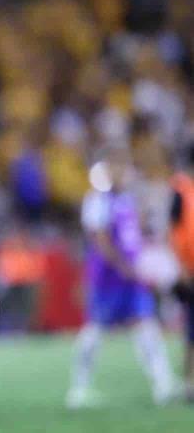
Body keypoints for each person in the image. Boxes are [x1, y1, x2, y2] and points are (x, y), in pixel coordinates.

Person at [66, 145, 175, 409]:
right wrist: (124, 266)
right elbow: (100, 240)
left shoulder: (126, 200)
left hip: (131, 277)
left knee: (146, 326)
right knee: (94, 330)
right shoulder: (97, 200)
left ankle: (163, 384)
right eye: (116, 167)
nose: (121, 173)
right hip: (108, 278)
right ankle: (78, 389)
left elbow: (133, 236)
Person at [170, 142, 194, 402]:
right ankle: (189, 383)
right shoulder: (181, 191)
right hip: (190, 270)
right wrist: (180, 268)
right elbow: (174, 232)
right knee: (192, 330)